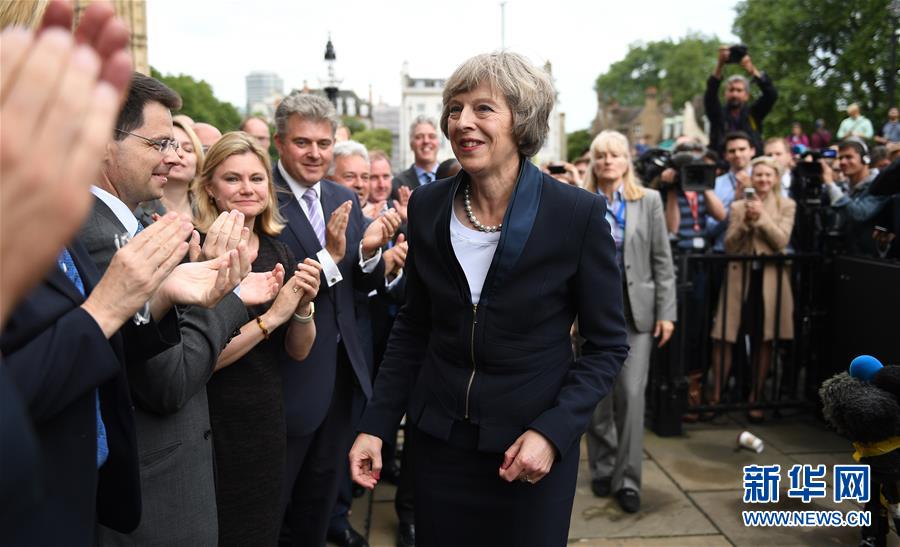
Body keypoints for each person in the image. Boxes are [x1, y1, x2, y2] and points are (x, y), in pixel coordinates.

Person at [349, 51, 628, 546]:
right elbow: (414, 326)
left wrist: (553, 433)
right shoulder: (430, 206)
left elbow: (607, 345)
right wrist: (376, 424)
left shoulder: (576, 214)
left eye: (483, 108)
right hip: (439, 447)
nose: (462, 122)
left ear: (522, 122)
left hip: (528, 450)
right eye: (455, 109)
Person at [272, 92, 401, 546]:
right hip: (291, 374)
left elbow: (358, 286)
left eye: (324, 144)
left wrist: (369, 255)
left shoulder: (342, 195)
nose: (315, 153)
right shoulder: (260, 196)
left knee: (321, 495)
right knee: (279, 501)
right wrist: (333, 255)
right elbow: (284, 287)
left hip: (345, 373)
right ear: (279, 143)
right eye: (303, 142)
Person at [196, 132, 321, 546]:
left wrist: (302, 306)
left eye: (256, 178)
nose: (247, 189)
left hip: (264, 419)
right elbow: (200, 359)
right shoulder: (194, 255)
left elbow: (299, 350)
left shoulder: (278, 251)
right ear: (210, 188)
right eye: (233, 179)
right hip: (210, 422)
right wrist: (273, 317)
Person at [583, 131, 676, 514]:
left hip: (637, 312)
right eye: (601, 155)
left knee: (632, 397)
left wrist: (667, 313)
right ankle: (602, 468)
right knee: (598, 398)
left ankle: (628, 479)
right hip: (593, 312)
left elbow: (662, 261)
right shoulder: (582, 202)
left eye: (616, 155)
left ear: (627, 162)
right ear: (593, 161)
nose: (608, 161)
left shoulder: (649, 201)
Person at [710, 156, 795, 422]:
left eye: (768, 175)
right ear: (751, 177)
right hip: (739, 280)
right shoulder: (736, 206)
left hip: (770, 283)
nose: (763, 180)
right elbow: (730, 246)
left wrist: (762, 218)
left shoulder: (786, 205)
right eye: (758, 175)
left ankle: (756, 396)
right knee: (723, 338)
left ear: (776, 178)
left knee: (765, 339)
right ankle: (713, 396)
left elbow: (781, 240)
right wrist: (746, 221)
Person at [704, 45, 777, 155]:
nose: (735, 94)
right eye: (731, 90)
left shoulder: (753, 114)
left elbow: (771, 95)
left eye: (739, 90)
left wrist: (751, 68)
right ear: (725, 94)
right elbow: (710, 94)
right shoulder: (718, 115)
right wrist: (720, 64)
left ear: (746, 95)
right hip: (722, 166)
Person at [823, 138, 891, 256]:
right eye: (840, 158)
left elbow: (859, 213)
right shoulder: (842, 187)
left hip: (868, 261)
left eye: (849, 157)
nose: (843, 162)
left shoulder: (881, 185)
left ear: (866, 159)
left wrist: (830, 184)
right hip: (842, 257)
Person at [134, 117, 204, 224]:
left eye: (188, 149)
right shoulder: (134, 208)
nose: (179, 153)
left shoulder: (210, 211)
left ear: (198, 161)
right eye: (168, 146)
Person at [708, 131, 756, 251]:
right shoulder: (716, 184)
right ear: (726, 155)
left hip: (755, 250)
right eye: (732, 151)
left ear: (752, 151)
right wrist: (735, 203)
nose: (737, 154)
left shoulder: (763, 178)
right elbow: (710, 228)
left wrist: (749, 190)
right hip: (724, 250)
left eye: (742, 149)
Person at [392, 116, 440, 196]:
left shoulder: (453, 177)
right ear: (411, 144)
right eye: (419, 137)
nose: (426, 141)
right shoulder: (398, 183)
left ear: (438, 142)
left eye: (431, 136)